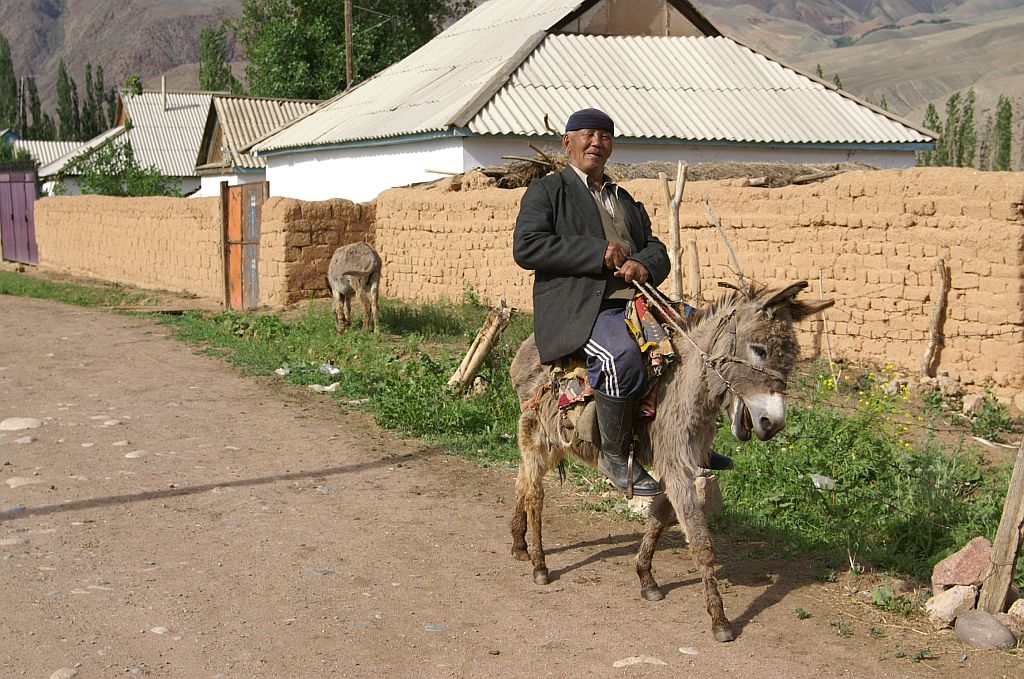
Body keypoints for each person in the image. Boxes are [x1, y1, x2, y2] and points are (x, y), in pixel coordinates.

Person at [512, 108, 669, 496]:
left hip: (638, 302)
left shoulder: (623, 198)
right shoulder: (549, 191)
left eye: (605, 136)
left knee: (700, 344)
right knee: (620, 357)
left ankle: (684, 443)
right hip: (583, 308)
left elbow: (656, 248)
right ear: (567, 142)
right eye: (588, 135)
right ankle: (614, 457)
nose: (597, 142)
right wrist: (597, 253)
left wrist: (642, 265)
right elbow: (527, 247)